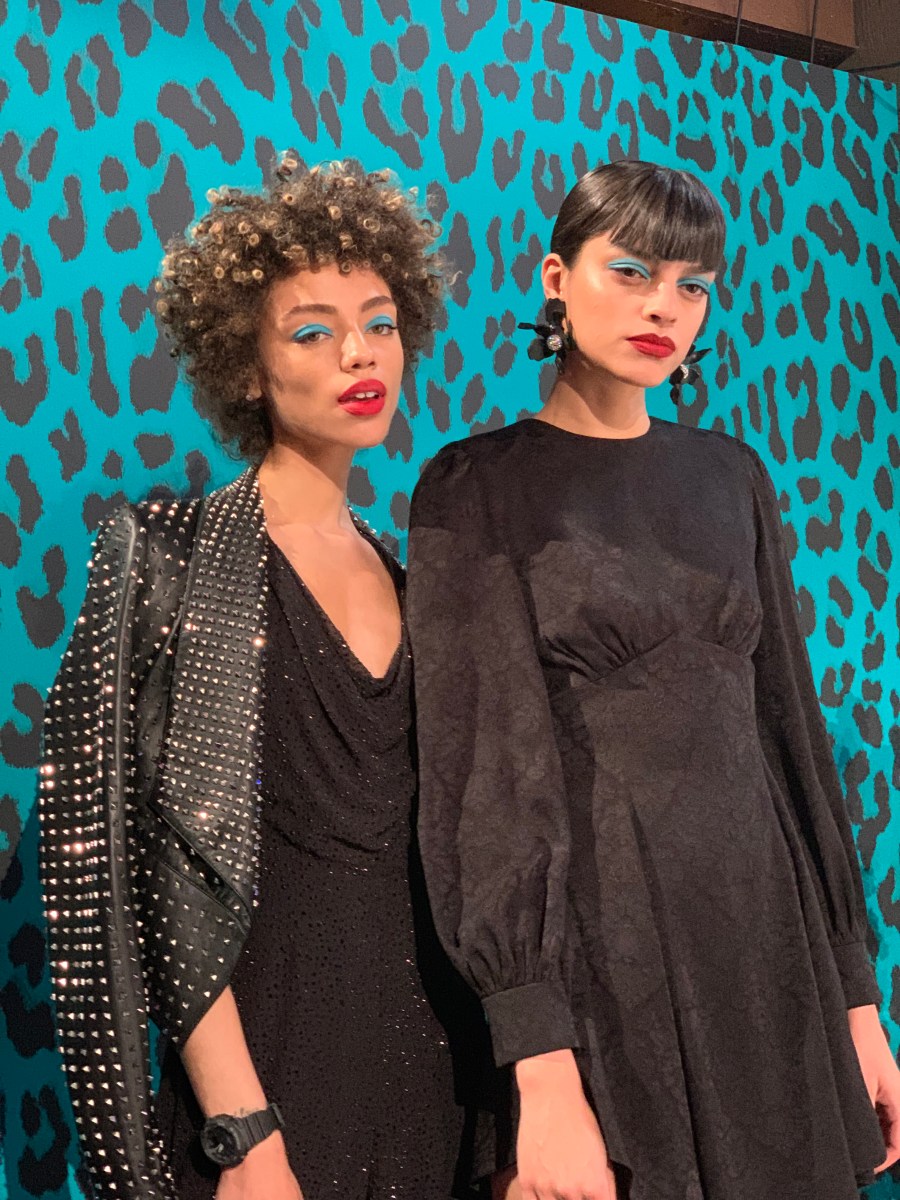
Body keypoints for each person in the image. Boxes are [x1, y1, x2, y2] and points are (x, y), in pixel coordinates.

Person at [406, 160, 900, 1200]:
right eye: (630, 271)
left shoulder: (732, 475)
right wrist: (540, 1062)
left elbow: (790, 736)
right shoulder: (476, 485)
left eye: (691, 285)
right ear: (557, 278)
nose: (663, 307)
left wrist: (858, 1002)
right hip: (606, 959)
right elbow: (482, 777)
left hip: (771, 948)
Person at [39, 156, 476, 1200]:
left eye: (379, 323)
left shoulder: (421, 584)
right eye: (313, 332)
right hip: (265, 1093)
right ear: (245, 365)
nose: (359, 354)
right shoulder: (168, 557)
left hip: (439, 1089)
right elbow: (141, 869)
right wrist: (242, 1130)